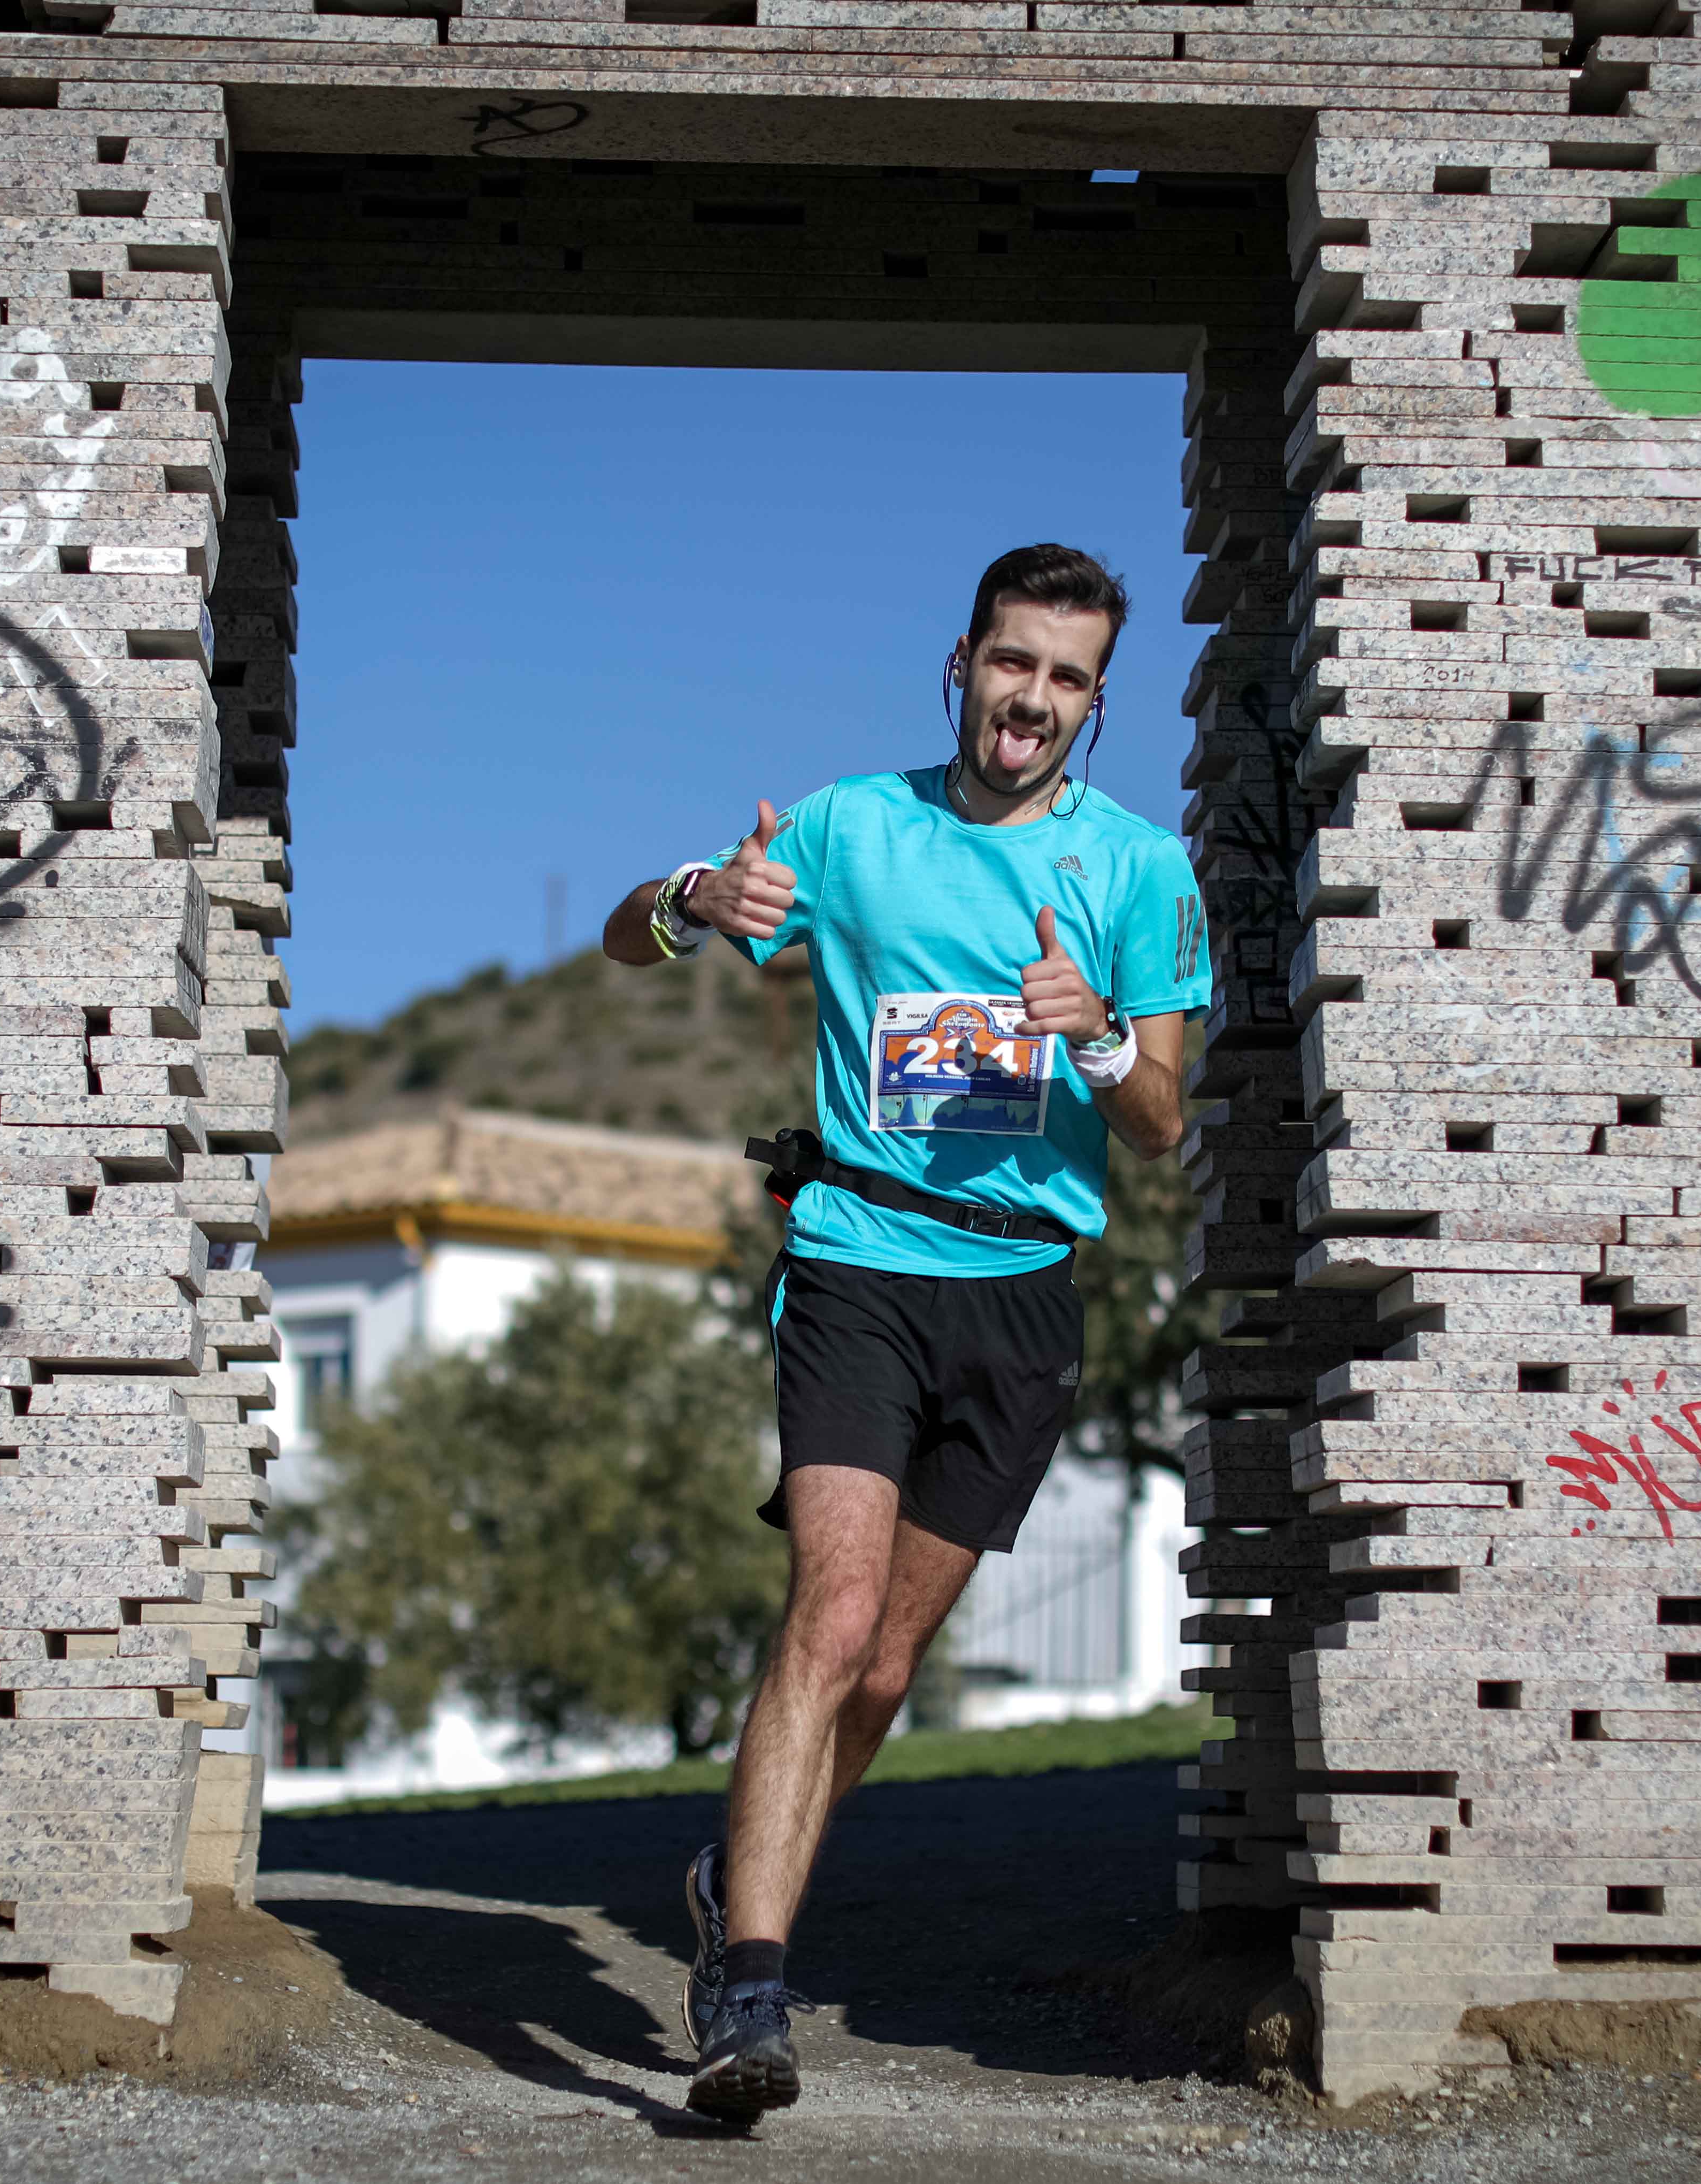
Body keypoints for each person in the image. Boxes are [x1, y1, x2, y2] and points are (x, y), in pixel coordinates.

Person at [599, 543, 1212, 2122]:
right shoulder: (856, 824)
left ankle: (734, 1860)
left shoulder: (1138, 869)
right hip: (858, 1255)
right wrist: (688, 902)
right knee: (835, 1601)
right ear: (965, 663)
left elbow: (1158, 1124)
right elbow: (627, 933)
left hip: (1020, 1292)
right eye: (1015, 663)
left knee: (882, 1668)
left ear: (1095, 699)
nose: (1035, 700)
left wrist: (1094, 1043)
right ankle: (748, 1987)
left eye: (1069, 677)